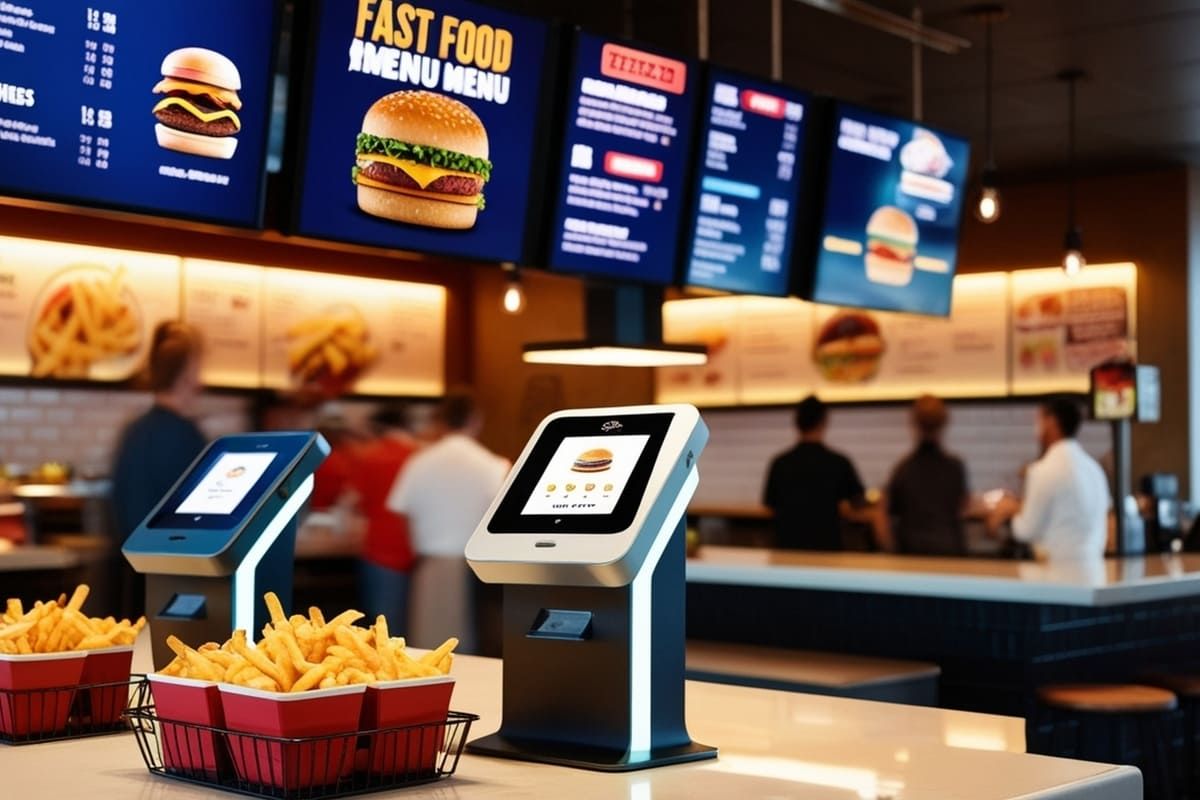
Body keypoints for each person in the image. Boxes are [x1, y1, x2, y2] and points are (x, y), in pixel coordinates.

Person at [386, 390, 509, 652]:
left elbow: (401, 511)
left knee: (429, 652)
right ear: (475, 420)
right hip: (481, 570)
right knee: (477, 653)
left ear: (440, 421)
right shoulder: (494, 465)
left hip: (431, 566)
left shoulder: (419, 462)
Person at [110, 321, 207, 616]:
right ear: (187, 373)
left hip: (132, 581)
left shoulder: (135, 431)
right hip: (176, 585)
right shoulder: (186, 437)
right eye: (199, 368)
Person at [987, 396, 1111, 561]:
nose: (1036, 427)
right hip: (1093, 566)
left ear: (1050, 422)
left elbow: (1026, 531)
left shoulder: (1042, 471)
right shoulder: (1094, 470)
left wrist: (1010, 512)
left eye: (1039, 420)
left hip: (1055, 569)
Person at [762, 395, 872, 551]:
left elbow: (769, 504)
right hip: (827, 549)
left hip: (786, 549)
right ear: (824, 422)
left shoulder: (780, 463)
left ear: (796, 423)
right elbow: (859, 501)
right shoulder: (839, 462)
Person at [351, 405, 419, 626]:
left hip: (379, 550)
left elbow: (357, 503)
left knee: (383, 626)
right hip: (417, 549)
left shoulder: (370, 457)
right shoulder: (420, 457)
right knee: (415, 624)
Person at [881, 395, 969, 556]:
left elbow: (889, 510)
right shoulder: (955, 468)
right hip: (950, 549)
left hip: (911, 551)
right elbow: (963, 507)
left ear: (914, 424)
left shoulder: (904, 469)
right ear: (944, 423)